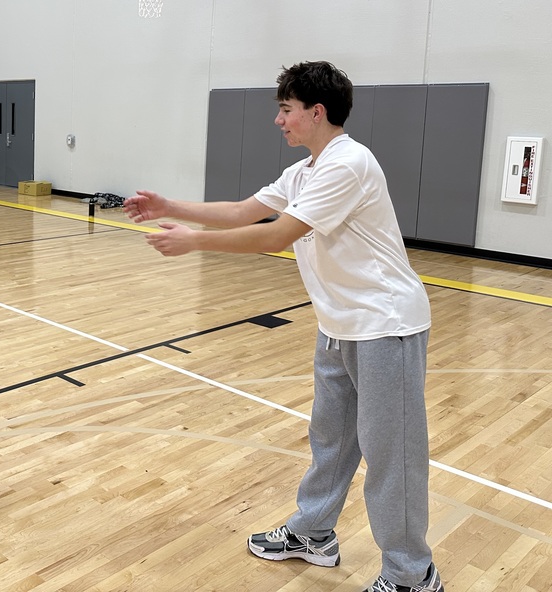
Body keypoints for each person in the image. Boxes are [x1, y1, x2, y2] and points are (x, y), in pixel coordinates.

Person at [123, 61, 442, 592]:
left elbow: (276, 235)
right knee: (332, 438)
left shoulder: (348, 164)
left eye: (286, 110)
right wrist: (168, 205)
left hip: (386, 326)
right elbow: (246, 210)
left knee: (392, 453)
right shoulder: (305, 171)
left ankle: (413, 573)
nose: (279, 120)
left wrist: (192, 241)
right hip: (338, 325)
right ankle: (314, 533)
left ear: (316, 112)